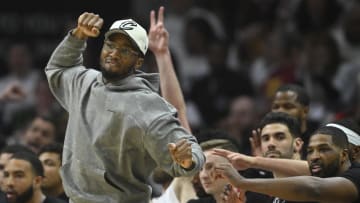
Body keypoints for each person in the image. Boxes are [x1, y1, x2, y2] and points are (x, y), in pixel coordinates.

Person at [44, 6, 204, 203]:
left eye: (125, 50)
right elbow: (58, 68)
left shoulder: (147, 104)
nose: (114, 53)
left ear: (138, 62)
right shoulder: (83, 81)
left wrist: (187, 160)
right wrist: (78, 36)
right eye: (110, 45)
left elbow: (194, 153)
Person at [214, 126, 360, 203]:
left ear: (344, 155)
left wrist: (242, 182)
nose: (315, 156)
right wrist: (252, 161)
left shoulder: (356, 175)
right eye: (310, 151)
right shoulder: (321, 176)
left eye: (324, 149)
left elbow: (313, 187)